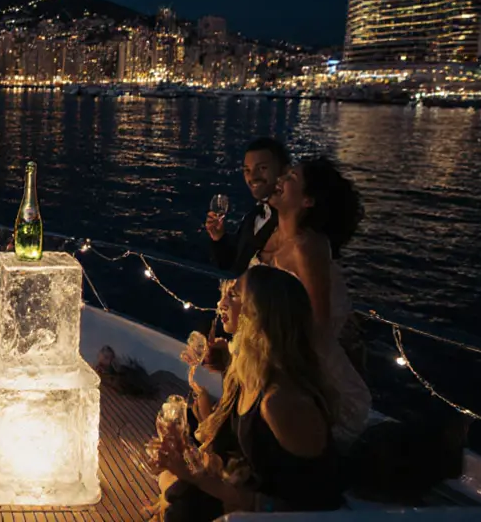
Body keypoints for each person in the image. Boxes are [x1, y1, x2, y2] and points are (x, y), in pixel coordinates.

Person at [157, 266, 344, 520]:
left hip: (270, 513)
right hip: (247, 491)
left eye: (233, 295)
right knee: (175, 491)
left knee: (179, 504)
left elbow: (314, 508)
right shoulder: (246, 371)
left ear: (259, 316)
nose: (220, 303)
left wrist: (197, 478)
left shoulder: (282, 402)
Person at [257, 156, 371, 446]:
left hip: (307, 368)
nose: (280, 180)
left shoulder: (308, 246)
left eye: (291, 178)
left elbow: (318, 323)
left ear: (308, 201)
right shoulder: (269, 237)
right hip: (270, 354)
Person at [207, 138, 290, 277]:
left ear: (285, 171)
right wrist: (219, 238)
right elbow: (233, 265)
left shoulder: (290, 221)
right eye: (247, 170)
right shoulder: (252, 216)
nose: (253, 177)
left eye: (262, 168)